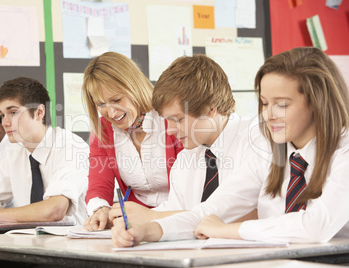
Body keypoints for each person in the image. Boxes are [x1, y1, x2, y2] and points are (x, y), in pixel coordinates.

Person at [112, 47, 349, 247]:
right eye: (264, 103)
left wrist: (227, 230)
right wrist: (147, 231)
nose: (268, 115)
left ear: (317, 102)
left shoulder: (342, 152)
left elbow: (316, 226)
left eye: (282, 105)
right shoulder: (271, 151)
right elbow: (209, 213)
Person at [109, 54, 261, 224]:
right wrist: (131, 218)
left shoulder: (257, 139)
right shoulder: (185, 159)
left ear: (210, 108)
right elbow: (175, 211)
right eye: (167, 120)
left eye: (178, 119)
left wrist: (154, 217)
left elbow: (249, 213)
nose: (170, 131)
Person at [0, 77, 89, 224]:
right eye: (2, 115)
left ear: (39, 112)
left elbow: (55, 210)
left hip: (73, 242)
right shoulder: (15, 153)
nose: (5, 123)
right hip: (29, 242)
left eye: (13, 113)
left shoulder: (70, 147)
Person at [81, 52, 183, 231]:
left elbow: (191, 190)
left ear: (134, 86)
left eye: (117, 100)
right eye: (101, 104)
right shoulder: (103, 131)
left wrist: (152, 218)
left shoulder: (171, 120)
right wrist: (101, 208)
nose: (111, 113)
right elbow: (98, 185)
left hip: (179, 219)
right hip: (133, 225)